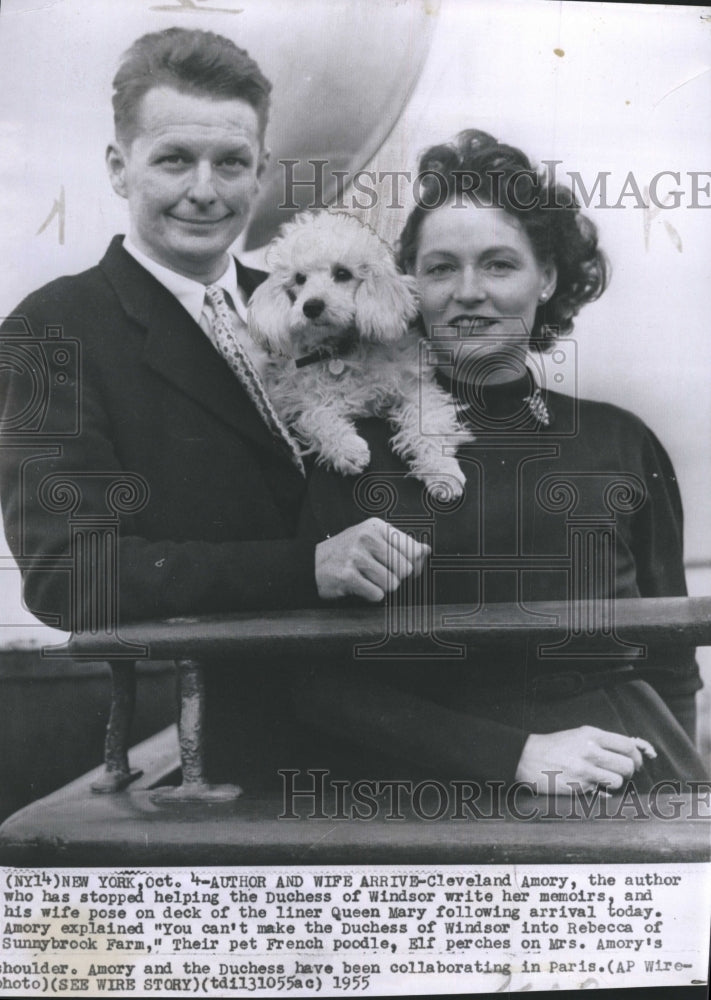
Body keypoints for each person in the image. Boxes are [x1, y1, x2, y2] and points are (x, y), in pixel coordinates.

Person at [292, 130, 708, 794]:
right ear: (409, 291)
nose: (467, 292)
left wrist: (682, 796)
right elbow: (310, 681)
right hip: (427, 789)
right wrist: (507, 753)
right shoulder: (351, 452)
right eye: (439, 268)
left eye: (497, 264)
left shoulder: (621, 440)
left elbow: (669, 658)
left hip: (624, 780)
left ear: (546, 277)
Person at [0, 26, 426, 633]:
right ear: (120, 169)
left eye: (230, 163)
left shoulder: (311, 301)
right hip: (211, 698)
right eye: (174, 159)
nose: (204, 191)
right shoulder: (51, 331)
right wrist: (303, 569)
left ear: (259, 174)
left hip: (384, 676)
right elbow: (67, 575)